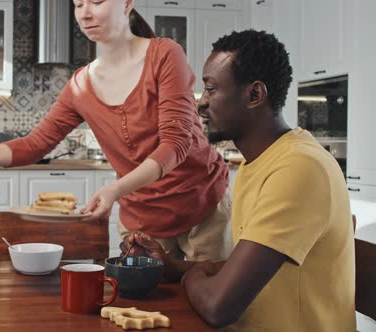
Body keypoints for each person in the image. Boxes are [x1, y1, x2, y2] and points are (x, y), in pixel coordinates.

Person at [0, 0, 232, 263]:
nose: (85, 13)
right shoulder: (80, 85)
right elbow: (37, 143)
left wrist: (115, 189)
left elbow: (177, 142)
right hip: (143, 218)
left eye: (96, 1)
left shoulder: (165, 54)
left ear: (127, 3)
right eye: (78, 4)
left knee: (208, 305)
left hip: (202, 205)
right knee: (147, 305)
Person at [121, 29, 356, 331]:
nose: (201, 103)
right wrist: (174, 268)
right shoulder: (258, 161)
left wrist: (193, 275)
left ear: (254, 95)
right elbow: (242, 267)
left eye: (211, 89)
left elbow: (219, 307)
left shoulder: (299, 168)